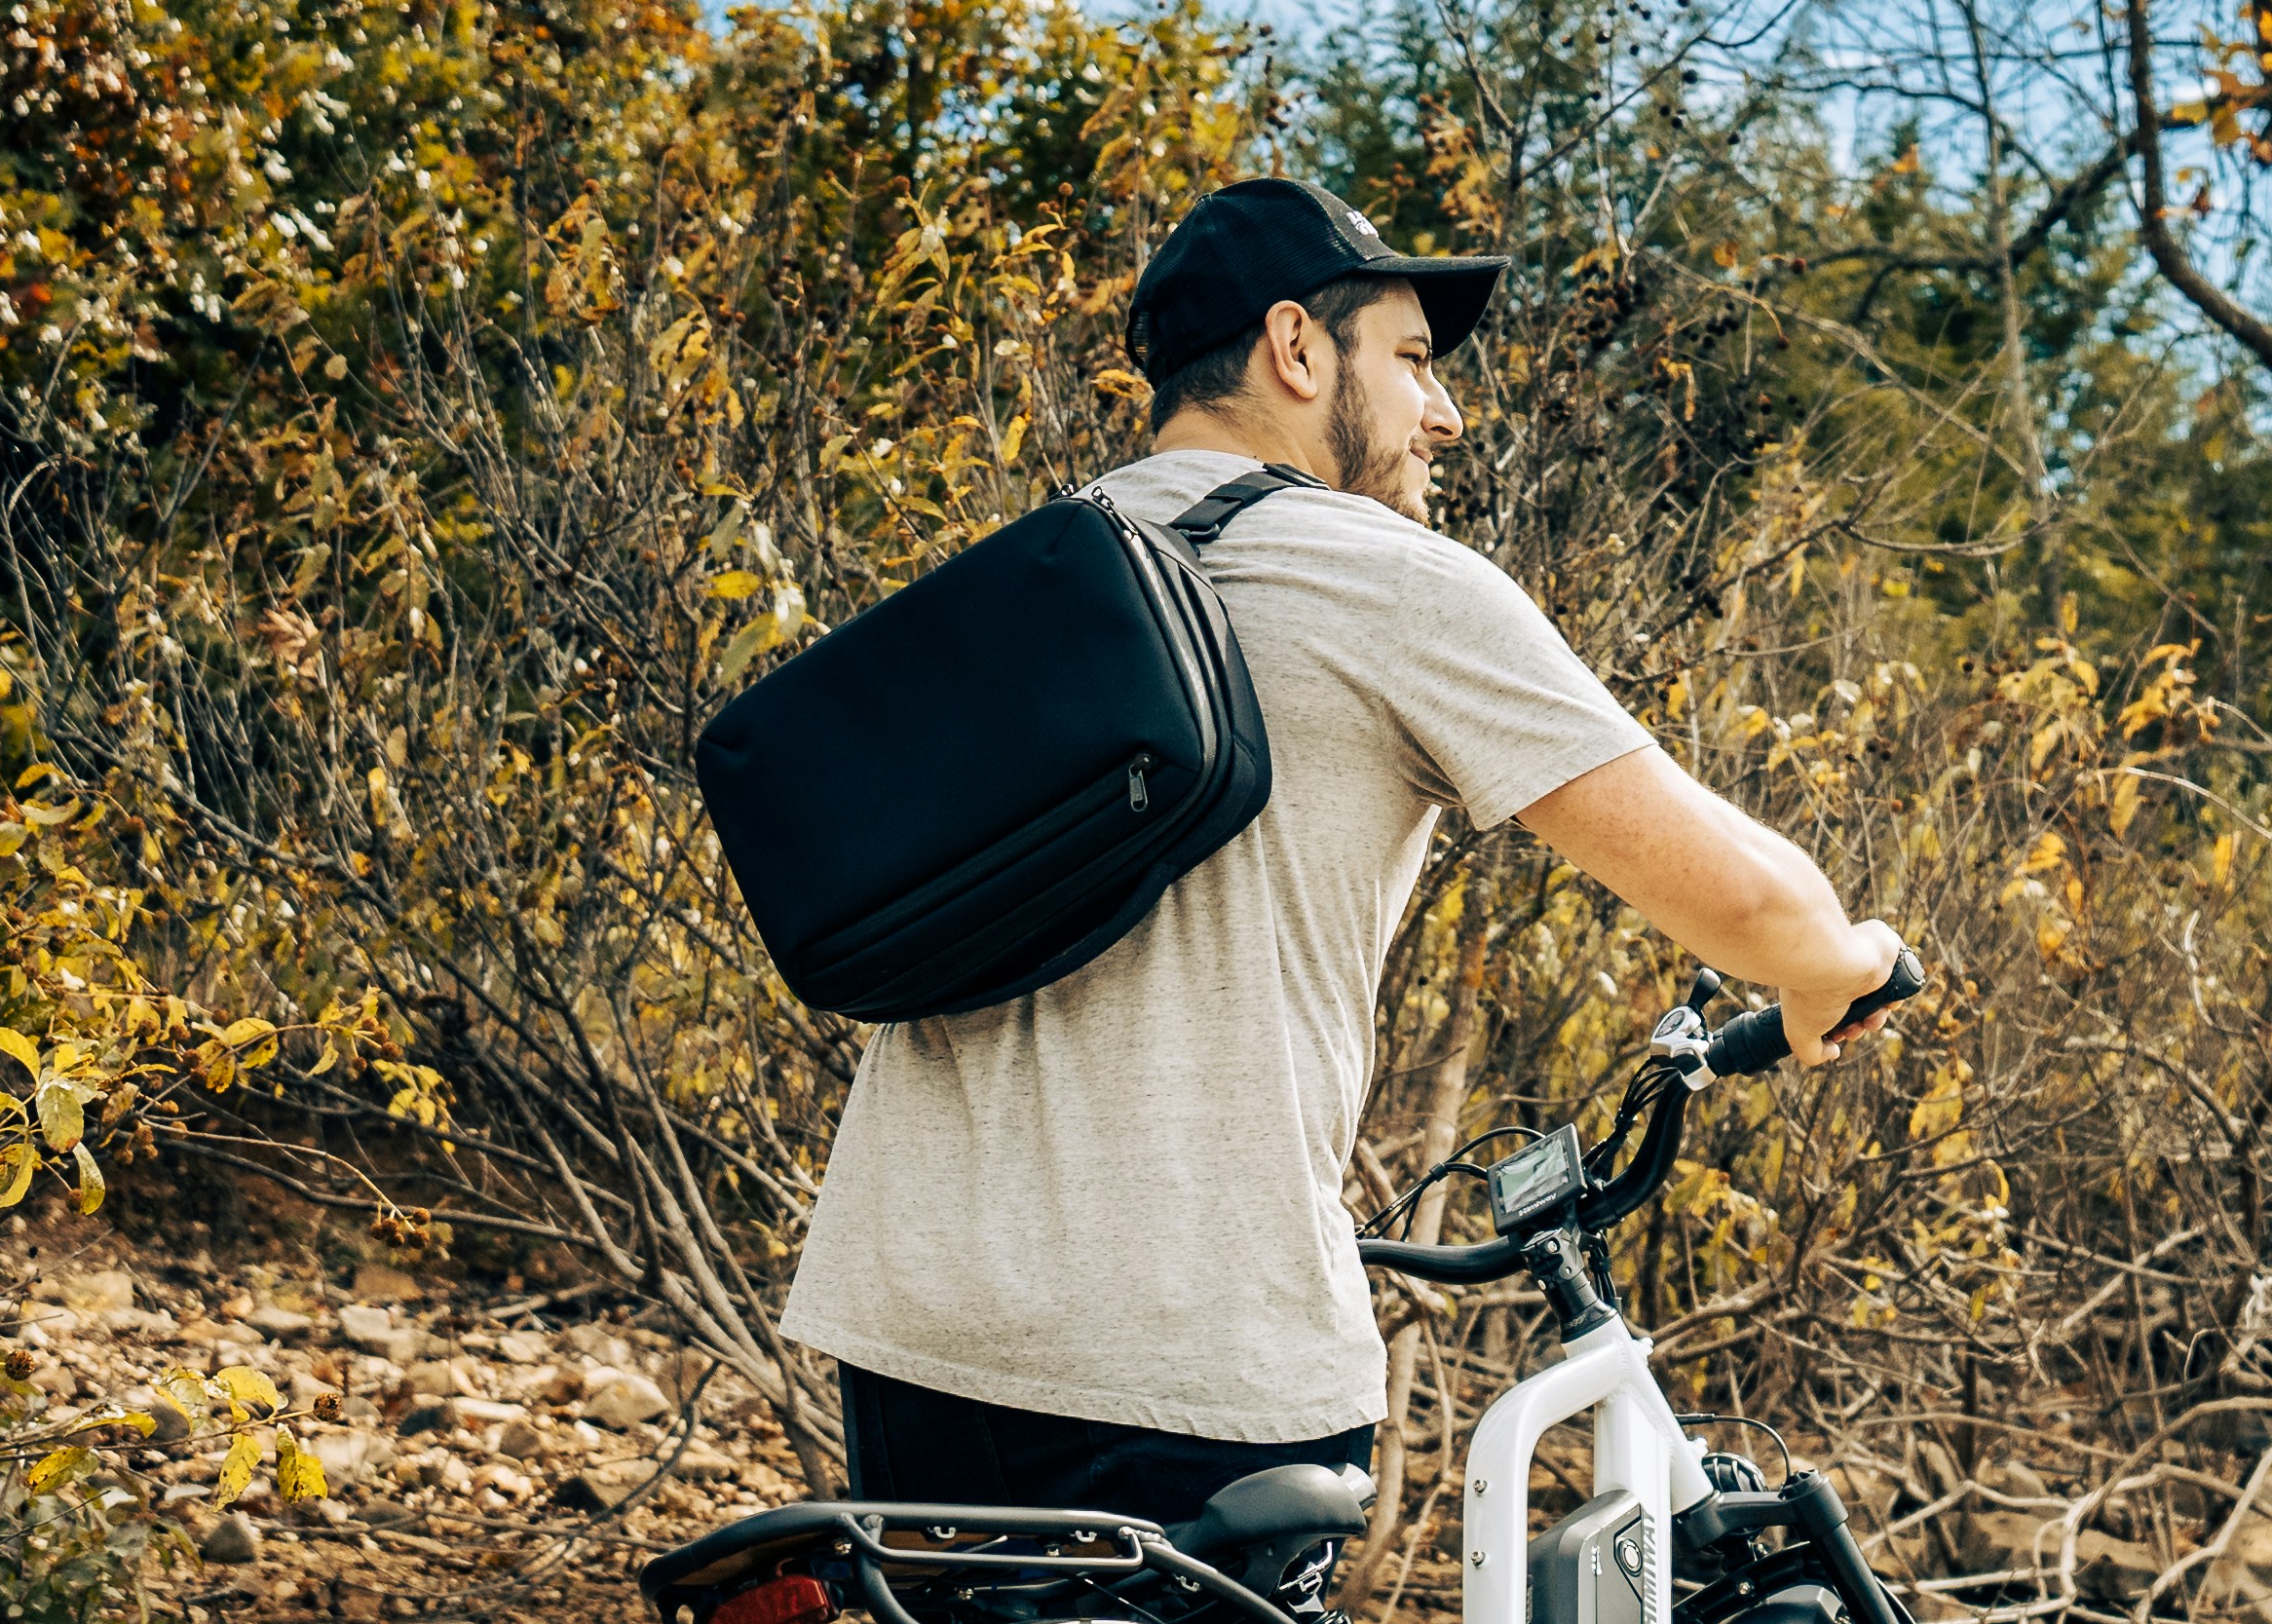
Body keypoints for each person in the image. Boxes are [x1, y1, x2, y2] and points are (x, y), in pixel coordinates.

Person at [778, 172, 1905, 1540]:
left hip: (911, 1328)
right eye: (1416, 360)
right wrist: (1837, 962)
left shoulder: (1027, 578)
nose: (1449, 413)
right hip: (1183, 1355)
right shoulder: (1385, 576)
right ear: (1296, 348)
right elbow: (1741, 897)